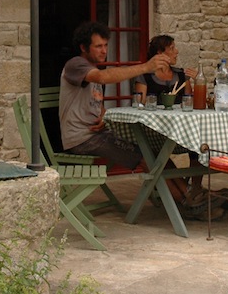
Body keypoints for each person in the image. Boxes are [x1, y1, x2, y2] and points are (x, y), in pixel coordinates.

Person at [59, 21, 170, 170]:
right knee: (147, 157)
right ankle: (180, 193)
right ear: (83, 48)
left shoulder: (91, 69)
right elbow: (102, 77)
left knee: (156, 151)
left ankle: (185, 192)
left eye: (105, 45)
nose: (104, 51)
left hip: (98, 134)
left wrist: (104, 117)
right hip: (82, 139)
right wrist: (146, 67)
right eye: (98, 46)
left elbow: (96, 102)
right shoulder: (76, 64)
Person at [133, 35, 215, 218]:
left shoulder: (180, 74)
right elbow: (139, 105)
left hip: (180, 132)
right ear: (160, 53)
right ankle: (189, 196)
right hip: (155, 131)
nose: (176, 51)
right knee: (156, 155)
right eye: (172, 48)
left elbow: (190, 102)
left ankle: (195, 189)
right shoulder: (145, 76)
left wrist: (196, 82)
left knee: (199, 142)